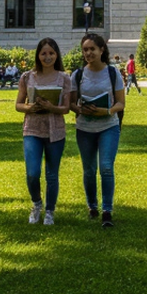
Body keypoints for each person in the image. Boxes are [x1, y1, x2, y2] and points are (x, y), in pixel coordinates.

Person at [71, 32, 125, 228]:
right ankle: (92, 205)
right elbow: (71, 104)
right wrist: (80, 108)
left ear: (102, 50)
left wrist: (107, 111)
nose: (88, 53)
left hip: (108, 126)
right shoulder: (77, 75)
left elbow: (121, 103)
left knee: (106, 167)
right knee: (89, 170)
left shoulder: (112, 73)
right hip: (84, 128)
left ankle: (107, 211)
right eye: (85, 49)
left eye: (92, 49)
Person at [15, 38, 71, 226]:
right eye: (44, 53)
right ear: (38, 55)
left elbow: (66, 108)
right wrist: (30, 108)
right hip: (32, 129)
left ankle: (50, 211)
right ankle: (37, 203)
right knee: (32, 172)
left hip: (55, 130)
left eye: (51, 53)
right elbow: (18, 104)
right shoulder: (27, 77)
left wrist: (51, 107)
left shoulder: (64, 78)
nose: (48, 57)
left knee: (52, 174)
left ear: (57, 55)